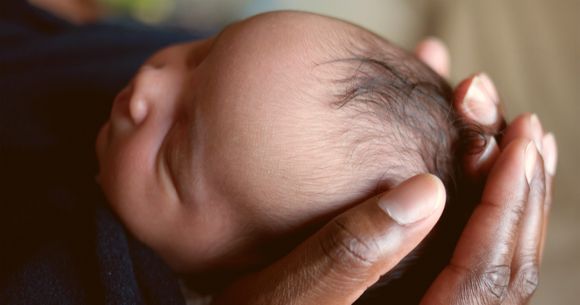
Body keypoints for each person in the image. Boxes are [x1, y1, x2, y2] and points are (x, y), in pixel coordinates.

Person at [0, 2, 557, 305]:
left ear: (230, 277)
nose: (147, 84)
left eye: (172, 152)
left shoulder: (87, 276)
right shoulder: (195, 97)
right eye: (203, 53)